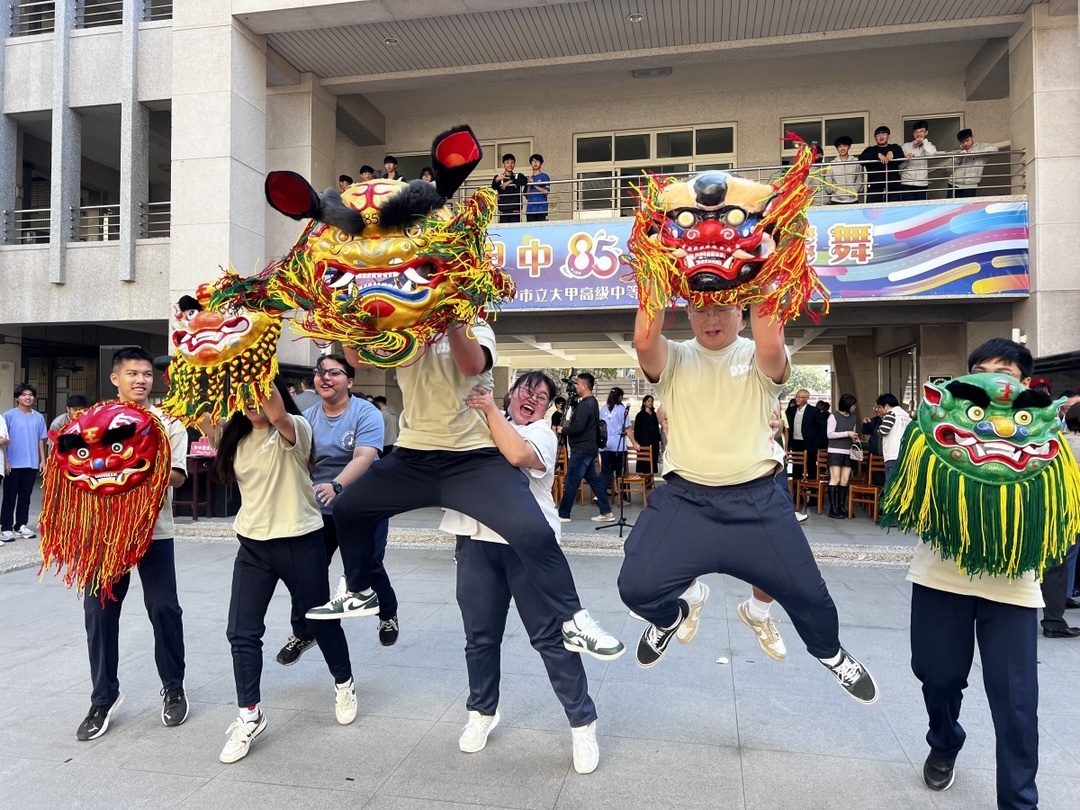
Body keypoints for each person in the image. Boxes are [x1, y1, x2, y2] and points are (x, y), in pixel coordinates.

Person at [306, 320, 624, 661]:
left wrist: (451, 313)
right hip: (414, 455)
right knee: (348, 508)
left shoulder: (475, 326)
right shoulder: (403, 326)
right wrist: (350, 320)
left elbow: (471, 364)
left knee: (533, 530)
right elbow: (359, 357)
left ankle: (574, 620)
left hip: (472, 459)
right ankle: (359, 590)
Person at [618, 300, 877, 707]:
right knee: (636, 588)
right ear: (687, 315)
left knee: (812, 599)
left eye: (723, 308)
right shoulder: (677, 357)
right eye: (701, 309)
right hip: (686, 499)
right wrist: (652, 270)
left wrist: (768, 273)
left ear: (744, 313)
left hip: (757, 501)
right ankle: (672, 618)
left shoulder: (755, 354)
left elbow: (772, 348)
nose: (712, 319)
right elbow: (644, 341)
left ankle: (830, 654)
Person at [909, 338, 1044, 808]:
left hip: (1014, 588)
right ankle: (944, 743)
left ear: (1023, 383)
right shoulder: (939, 429)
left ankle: (1019, 801)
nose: (992, 378)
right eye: (980, 370)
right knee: (937, 676)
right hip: (940, 577)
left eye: (1003, 371)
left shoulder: (1046, 437)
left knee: (1016, 705)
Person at [442, 372, 600, 774]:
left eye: (542, 397)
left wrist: (491, 409)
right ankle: (481, 712)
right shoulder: (476, 423)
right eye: (526, 391)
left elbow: (516, 456)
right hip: (476, 543)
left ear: (547, 408)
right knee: (479, 638)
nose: (532, 399)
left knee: (550, 638)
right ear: (511, 393)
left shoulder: (543, 435)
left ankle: (582, 722)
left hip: (528, 549)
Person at [212, 378, 357, 763]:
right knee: (241, 633)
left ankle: (344, 683)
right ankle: (249, 715)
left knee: (320, 622)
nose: (252, 401)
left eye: (259, 391)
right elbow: (205, 413)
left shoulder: (296, 430)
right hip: (253, 547)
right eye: (244, 393)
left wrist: (253, 359)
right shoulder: (235, 438)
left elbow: (275, 410)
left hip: (300, 542)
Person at [76, 347, 189, 741]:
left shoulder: (168, 422)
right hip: (103, 535)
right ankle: (103, 698)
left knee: (164, 609)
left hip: (153, 531)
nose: (141, 380)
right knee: (99, 611)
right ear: (115, 378)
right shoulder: (92, 422)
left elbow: (177, 477)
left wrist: (143, 462)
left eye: (146, 374)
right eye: (132, 373)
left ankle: (173, 687)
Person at [275, 354, 397, 668]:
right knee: (307, 573)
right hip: (318, 511)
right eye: (320, 373)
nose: (325, 378)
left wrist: (337, 486)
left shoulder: (365, 412)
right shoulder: (307, 415)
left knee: (368, 566)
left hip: (360, 507)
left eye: (334, 373)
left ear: (350, 381)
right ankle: (303, 632)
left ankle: (387, 615)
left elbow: (365, 456)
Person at [1038, 404, 1080, 639]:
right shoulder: (1066, 445)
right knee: (1057, 564)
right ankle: (1054, 619)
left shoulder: (1057, 440)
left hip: (1043, 509)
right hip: (1064, 510)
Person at [557, 373, 614, 523]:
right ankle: (607, 512)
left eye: (578, 384)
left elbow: (577, 427)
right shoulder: (593, 402)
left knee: (571, 481)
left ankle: (563, 514)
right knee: (594, 481)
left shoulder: (584, 405)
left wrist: (563, 430)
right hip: (590, 448)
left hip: (581, 449)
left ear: (584, 386)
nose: (576, 387)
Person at [1, 383, 48, 543]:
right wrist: (5, 460)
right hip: (12, 463)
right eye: (23, 394)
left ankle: (20, 525)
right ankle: (6, 528)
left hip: (31, 463)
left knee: (25, 497)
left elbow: (42, 439)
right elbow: (3, 440)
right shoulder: (8, 416)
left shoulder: (38, 417)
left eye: (30, 394)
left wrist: (42, 460)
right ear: (17, 398)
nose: (28, 397)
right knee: (9, 497)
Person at [598, 387, 637, 506]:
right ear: (620, 397)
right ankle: (623, 498)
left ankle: (600, 498)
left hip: (604, 445)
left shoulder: (603, 409)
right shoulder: (622, 409)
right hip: (618, 446)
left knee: (605, 472)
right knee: (620, 473)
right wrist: (635, 443)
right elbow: (628, 429)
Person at [825, 394, 859, 519]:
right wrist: (847, 433)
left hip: (848, 451)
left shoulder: (853, 418)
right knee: (835, 479)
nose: (854, 407)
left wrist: (854, 437)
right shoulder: (833, 416)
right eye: (853, 405)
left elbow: (852, 432)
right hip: (835, 451)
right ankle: (833, 509)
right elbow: (830, 434)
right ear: (847, 405)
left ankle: (841, 507)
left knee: (845, 480)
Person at [785, 388, 826, 481]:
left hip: (809, 443)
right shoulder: (792, 410)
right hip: (796, 443)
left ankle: (813, 493)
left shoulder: (813, 411)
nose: (797, 399)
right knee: (796, 469)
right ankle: (797, 494)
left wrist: (819, 441)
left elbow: (824, 425)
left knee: (811, 468)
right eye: (796, 396)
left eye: (800, 397)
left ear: (806, 399)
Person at [858, 126, 905, 203]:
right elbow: (861, 159)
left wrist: (892, 153)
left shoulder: (894, 147)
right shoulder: (870, 150)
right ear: (875, 138)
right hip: (874, 189)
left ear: (888, 136)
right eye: (878, 135)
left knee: (894, 212)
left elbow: (901, 155)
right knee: (873, 213)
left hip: (893, 188)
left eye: (884, 134)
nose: (881, 136)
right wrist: (877, 155)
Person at [876, 393, 911, 489]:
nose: (880, 410)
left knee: (891, 488)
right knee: (902, 487)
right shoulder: (907, 415)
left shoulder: (891, 413)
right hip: (906, 455)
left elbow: (883, 430)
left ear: (887, 406)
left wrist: (879, 428)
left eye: (880, 407)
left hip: (893, 456)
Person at [948, 129, 996, 198]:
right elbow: (948, 169)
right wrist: (958, 157)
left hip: (970, 185)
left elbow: (994, 149)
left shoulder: (981, 146)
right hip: (953, 184)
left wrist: (974, 153)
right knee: (951, 207)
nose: (965, 144)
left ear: (973, 137)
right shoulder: (957, 151)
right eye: (962, 142)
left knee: (967, 207)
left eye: (967, 140)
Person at [897, 120, 938, 201]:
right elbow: (899, 166)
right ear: (913, 133)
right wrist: (906, 159)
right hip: (906, 182)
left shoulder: (928, 146)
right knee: (908, 209)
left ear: (926, 132)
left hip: (922, 183)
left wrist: (924, 142)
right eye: (916, 132)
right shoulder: (906, 146)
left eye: (921, 131)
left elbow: (932, 153)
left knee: (920, 209)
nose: (918, 134)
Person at [822, 136, 864, 204]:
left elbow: (859, 179)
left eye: (845, 146)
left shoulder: (856, 162)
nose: (842, 149)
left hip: (853, 200)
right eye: (840, 147)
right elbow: (828, 182)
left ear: (849, 147)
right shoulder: (832, 164)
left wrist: (854, 191)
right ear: (837, 148)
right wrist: (835, 190)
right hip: (836, 200)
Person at [491, 154, 528, 224]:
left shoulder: (518, 176)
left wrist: (511, 181)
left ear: (514, 164)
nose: (510, 165)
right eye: (507, 163)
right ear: (503, 164)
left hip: (515, 212)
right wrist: (497, 179)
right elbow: (493, 188)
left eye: (512, 163)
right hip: (503, 212)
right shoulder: (499, 177)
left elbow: (524, 181)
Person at [633, 395, 662, 474]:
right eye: (648, 401)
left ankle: (650, 479)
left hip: (653, 442)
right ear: (644, 402)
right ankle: (645, 480)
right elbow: (637, 429)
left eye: (652, 401)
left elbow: (656, 428)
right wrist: (637, 441)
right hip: (643, 441)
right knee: (644, 462)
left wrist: (659, 440)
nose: (650, 403)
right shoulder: (640, 415)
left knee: (653, 461)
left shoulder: (654, 415)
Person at [525, 153, 551, 222]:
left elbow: (546, 192)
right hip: (530, 210)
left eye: (537, 161)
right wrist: (529, 185)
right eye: (533, 161)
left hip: (541, 209)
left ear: (541, 163)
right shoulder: (529, 178)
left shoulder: (544, 176)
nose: (535, 163)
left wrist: (534, 184)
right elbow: (527, 196)